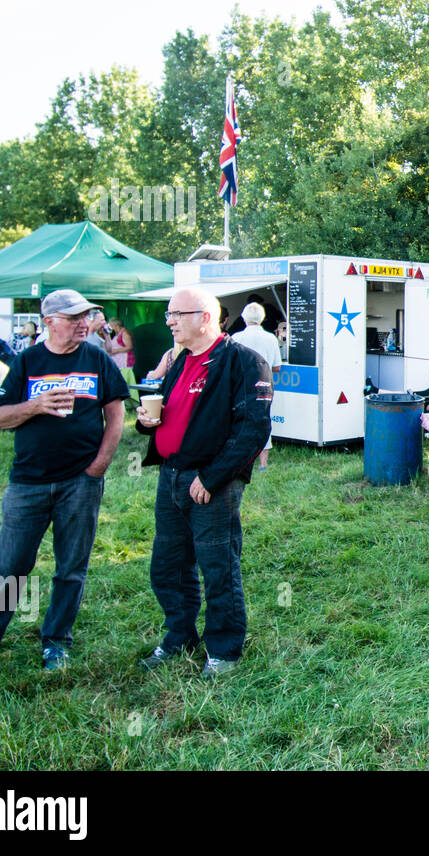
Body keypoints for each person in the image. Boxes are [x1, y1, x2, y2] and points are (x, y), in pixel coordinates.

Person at [0, 290, 128, 671]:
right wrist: (35, 406)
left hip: (81, 481)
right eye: (73, 317)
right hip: (29, 482)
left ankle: (56, 641)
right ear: (49, 322)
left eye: (85, 317)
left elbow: (116, 414)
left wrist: (100, 464)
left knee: (71, 566)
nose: (82, 323)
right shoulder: (27, 361)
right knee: (10, 564)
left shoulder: (96, 358)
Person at [136, 288, 272, 678]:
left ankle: (224, 651)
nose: (169, 321)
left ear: (205, 317)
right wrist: (147, 423)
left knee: (218, 568)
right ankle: (179, 637)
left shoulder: (243, 362)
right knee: (167, 567)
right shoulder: (180, 361)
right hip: (172, 476)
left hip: (212, 483)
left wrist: (211, 477)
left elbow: (252, 430)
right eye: (168, 314)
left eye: (177, 314)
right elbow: (173, 410)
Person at [231, 301, 282, 469]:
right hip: (264, 385)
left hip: (241, 384)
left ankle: (242, 459)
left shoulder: (236, 338)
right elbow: (277, 367)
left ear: (244, 318)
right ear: (262, 318)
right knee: (263, 419)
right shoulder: (270, 338)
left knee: (240, 419)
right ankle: (263, 463)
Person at [103, 318, 137, 390]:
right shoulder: (117, 334)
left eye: (112, 326)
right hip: (118, 362)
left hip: (125, 362)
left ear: (117, 325)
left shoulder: (125, 333)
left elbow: (129, 346)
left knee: (125, 380)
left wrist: (115, 351)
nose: (111, 328)